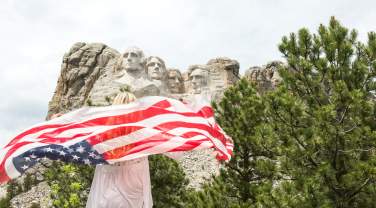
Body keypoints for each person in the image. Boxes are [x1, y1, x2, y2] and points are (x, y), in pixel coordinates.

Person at [86, 92, 153, 208]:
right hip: (133, 198)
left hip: (106, 197)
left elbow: (76, 137)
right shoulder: (144, 134)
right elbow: (176, 151)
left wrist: (61, 121)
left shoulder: (101, 135)